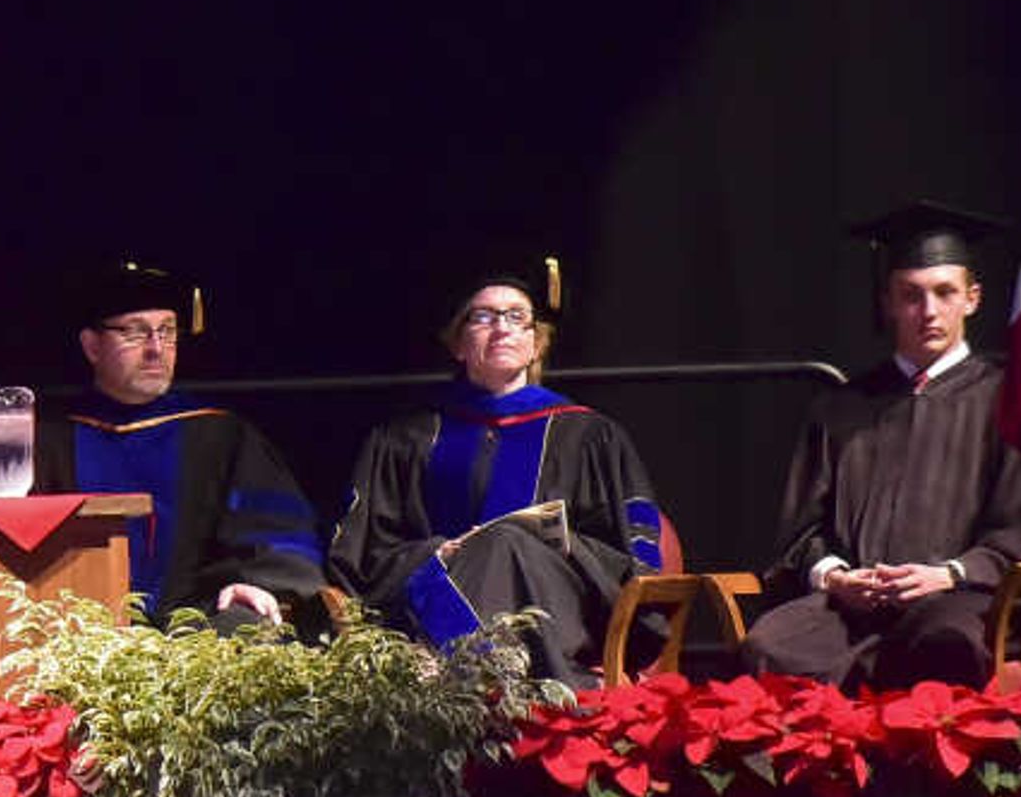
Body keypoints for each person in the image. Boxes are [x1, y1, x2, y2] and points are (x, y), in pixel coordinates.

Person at [330, 252, 662, 681]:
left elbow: (631, 555)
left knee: (506, 541)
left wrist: (564, 545)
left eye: (516, 317)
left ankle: (452, 672)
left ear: (536, 342)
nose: (501, 327)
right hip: (430, 589)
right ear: (458, 342)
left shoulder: (590, 436)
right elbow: (361, 555)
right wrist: (439, 552)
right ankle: (491, 672)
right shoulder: (404, 438)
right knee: (499, 542)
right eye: (482, 317)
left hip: (556, 605)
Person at [747, 202, 1021, 690]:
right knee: (770, 646)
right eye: (911, 295)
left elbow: (1020, 530)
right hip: (853, 606)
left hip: (960, 599)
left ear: (973, 298)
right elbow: (802, 533)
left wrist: (950, 574)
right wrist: (836, 578)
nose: (930, 312)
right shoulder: (843, 406)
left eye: (945, 293)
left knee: (945, 643)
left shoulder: (1007, 398)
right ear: (888, 303)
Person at [38, 260, 323, 622]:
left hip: (199, 624)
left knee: (247, 623)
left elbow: (280, 535)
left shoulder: (219, 434)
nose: (156, 348)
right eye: (136, 333)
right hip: (73, 625)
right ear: (92, 346)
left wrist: (258, 582)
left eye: (168, 331)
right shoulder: (50, 440)